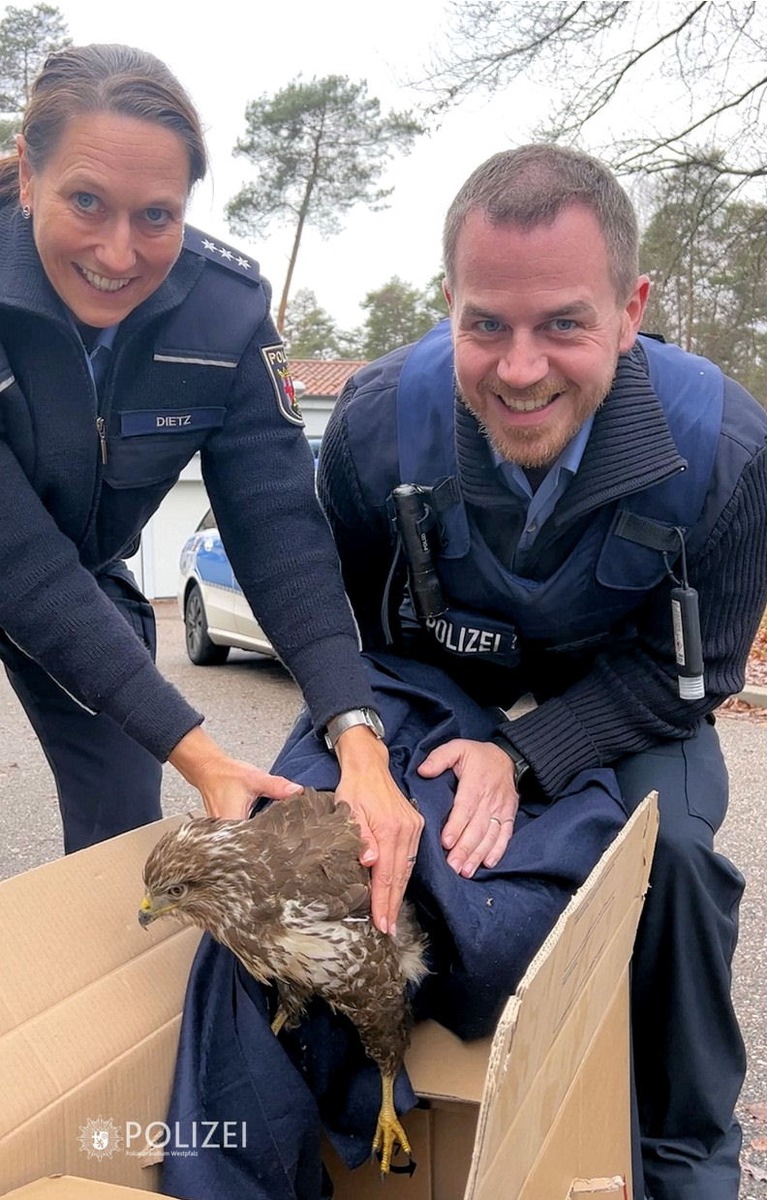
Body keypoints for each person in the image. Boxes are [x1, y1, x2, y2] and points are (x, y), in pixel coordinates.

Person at [309, 145, 767, 1198]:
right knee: (359, 850)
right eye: (485, 324)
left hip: (625, 693)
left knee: (678, 869)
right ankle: (360, 1115)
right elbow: (340, 629)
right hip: (434, 680)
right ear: (448, 305)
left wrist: (518, 754)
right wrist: (400, 756)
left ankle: (686, 1159)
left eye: (563, 322)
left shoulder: (728, 449)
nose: (519, 369)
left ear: (629, 306)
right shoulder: (375, 424)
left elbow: (690, 677)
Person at [0, 41, 421, 939]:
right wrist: (203, 752)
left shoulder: (225, 316)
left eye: (155, 215)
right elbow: (18, 564)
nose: (119, 251)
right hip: (23, 560)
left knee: (122, 805)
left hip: (78, 569)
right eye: (86, 201)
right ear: (29, 177)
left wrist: (355, 732)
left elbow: (279, 530)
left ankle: (91, 1029)